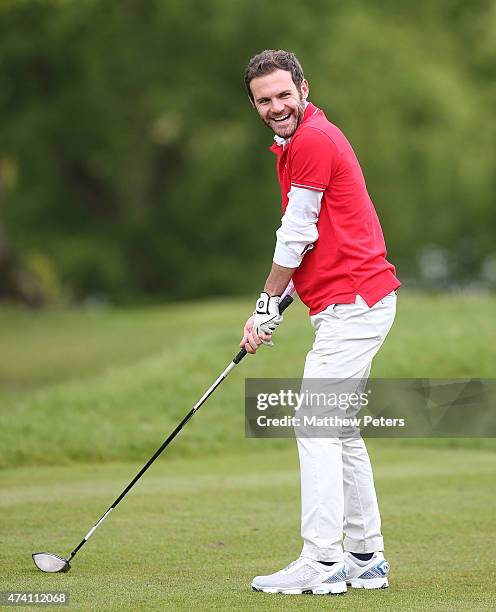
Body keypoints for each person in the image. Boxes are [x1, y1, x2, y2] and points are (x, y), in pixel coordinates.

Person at [240, 50, 401, 595]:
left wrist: (266, 301)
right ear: (255, 105)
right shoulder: (296, 142)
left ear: (303, 88)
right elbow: (313, 238)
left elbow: (296, 231)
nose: (276, 106)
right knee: (339, 429)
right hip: (350, 301)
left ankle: (323, 561)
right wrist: (281, 300)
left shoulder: (311, 140)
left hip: (354, 304)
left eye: (284, 94)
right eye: (264, 100)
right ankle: (364, 558)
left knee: (314, 425)